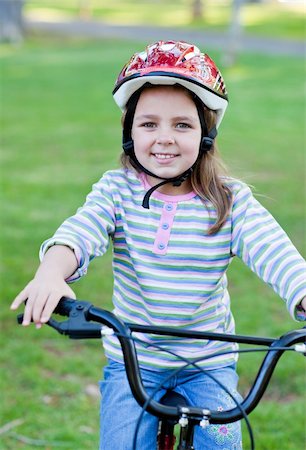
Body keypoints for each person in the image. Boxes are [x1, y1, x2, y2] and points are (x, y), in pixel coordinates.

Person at [11, 40, 306, 449]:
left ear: (207, 134)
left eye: (181, 125)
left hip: (208, 361)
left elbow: (276, 253)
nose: (164, 138)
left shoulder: (230, 201)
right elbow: (80, 232)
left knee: (224, 444)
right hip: (135, 359)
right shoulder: (117, 191)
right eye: (149, 124)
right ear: (129, 132)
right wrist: (51, 272)